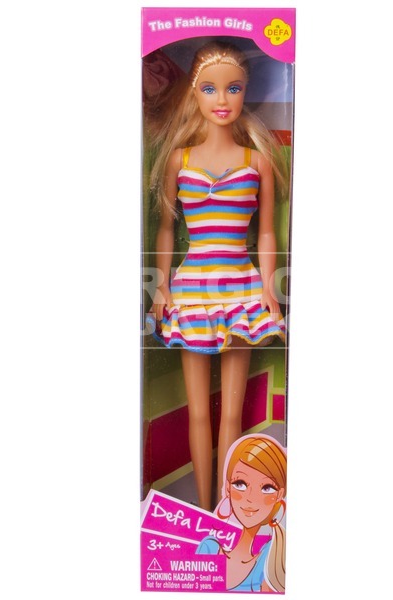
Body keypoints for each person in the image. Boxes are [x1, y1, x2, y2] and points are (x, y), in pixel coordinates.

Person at [145, 41, 287, 510]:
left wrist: (269, 289)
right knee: (198, 415)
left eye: (233, 88)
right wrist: (160, 288)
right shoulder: (179, 160)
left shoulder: (255, 162)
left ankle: (227, 511)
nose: (222, 100)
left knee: (231, 416)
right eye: (209, 88)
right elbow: (166, 227)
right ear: (194, 92)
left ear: (245, 90)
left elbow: (265, 233)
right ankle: (204, 510)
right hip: (191, 291)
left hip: (242, 288)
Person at [196, 434, 287, 593]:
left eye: (267, 488)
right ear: (228, 487)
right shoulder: (209, 547)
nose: (251, 498)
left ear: (279, 494)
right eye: (240, 484)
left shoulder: (271, 556)